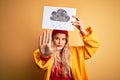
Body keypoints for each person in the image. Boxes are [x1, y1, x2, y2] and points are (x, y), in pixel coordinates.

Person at [33, 16, 99, 80]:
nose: (60, 42)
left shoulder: (76, 52)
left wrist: (83, 31)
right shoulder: (47, 51)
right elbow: (41, 67)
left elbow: (93, 47)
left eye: (63, 39)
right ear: (52, 39)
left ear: (66, 40)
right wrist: (45, 56)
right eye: (57, 38)